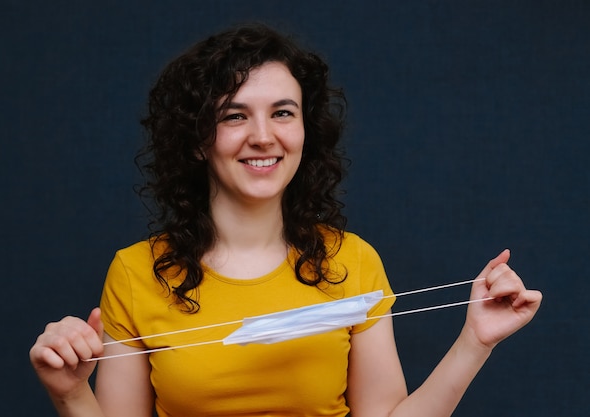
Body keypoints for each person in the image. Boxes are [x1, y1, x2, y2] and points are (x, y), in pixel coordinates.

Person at [29, 23, 542, 417]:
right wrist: (72, 393)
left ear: (303, 131)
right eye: (234, 115)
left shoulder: (352, 262)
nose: (263, 136)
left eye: (282, 113)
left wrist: (475, 341)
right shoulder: (137, 273)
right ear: (195, 139)